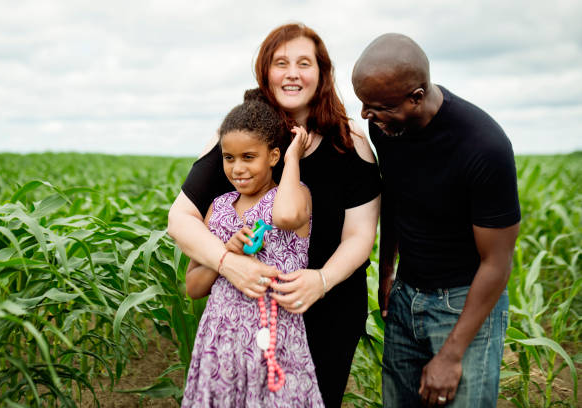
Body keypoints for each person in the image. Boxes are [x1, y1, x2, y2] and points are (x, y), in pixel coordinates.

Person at [168, 23, 381, 407]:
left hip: (327, 309)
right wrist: (227, 262)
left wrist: (321, 279)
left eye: (305, 63)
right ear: (265, 71)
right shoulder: (237, 140)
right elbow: (180, 217)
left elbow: (360, 235)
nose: (293, 73)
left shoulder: (351, 142)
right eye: (281, 63)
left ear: (322, 72)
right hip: (245, 317)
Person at [351, 33, 521, 407]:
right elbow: (395, 198)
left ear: (416, 96)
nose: (366, 116)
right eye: (363, 104)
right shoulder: (387, 128)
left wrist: (451, 354)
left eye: (377, 106)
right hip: (406, 295)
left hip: (464, 303)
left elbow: (497, 262)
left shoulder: (482, 146)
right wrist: (387, 274)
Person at [181, 96, 324, 406]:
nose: (237, 168)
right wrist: (225, 257)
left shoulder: (294, 196)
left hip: (277, 345)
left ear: (273, 156)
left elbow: (285, 216)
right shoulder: (218, 209)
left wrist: (294, 157)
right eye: (229, 158)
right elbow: (192, 287)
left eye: (248, 157)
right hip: (219, 349)